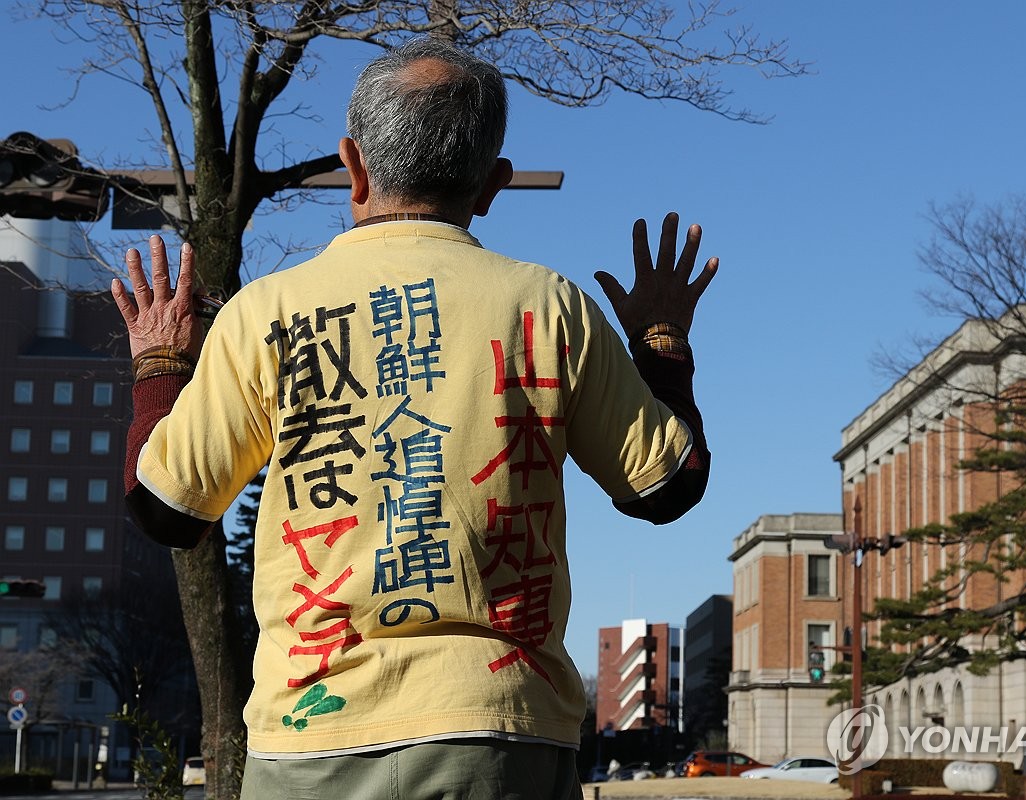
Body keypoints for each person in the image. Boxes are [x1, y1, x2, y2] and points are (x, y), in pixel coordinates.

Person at [112, 36, 716, 800]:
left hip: (311, 738)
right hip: (502, 733)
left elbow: (166, 509)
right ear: (493, 184)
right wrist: (663, 346)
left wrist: (160, 363)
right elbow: (666, 487)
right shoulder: (550, 306)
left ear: (353, 166)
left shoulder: (266, 312)